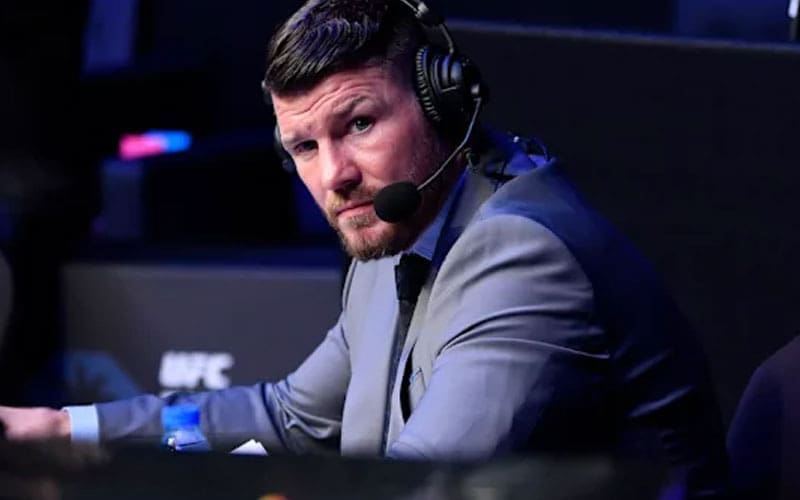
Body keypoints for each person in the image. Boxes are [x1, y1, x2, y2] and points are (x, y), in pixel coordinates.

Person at [0, 0, 728, 495]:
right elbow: (291, 418)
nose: (335, 175)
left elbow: (419, 487)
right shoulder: (396, 230)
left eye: (359, 125)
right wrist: (66, 426)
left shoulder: (520, 257)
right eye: (305, 147)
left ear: (443, 102)